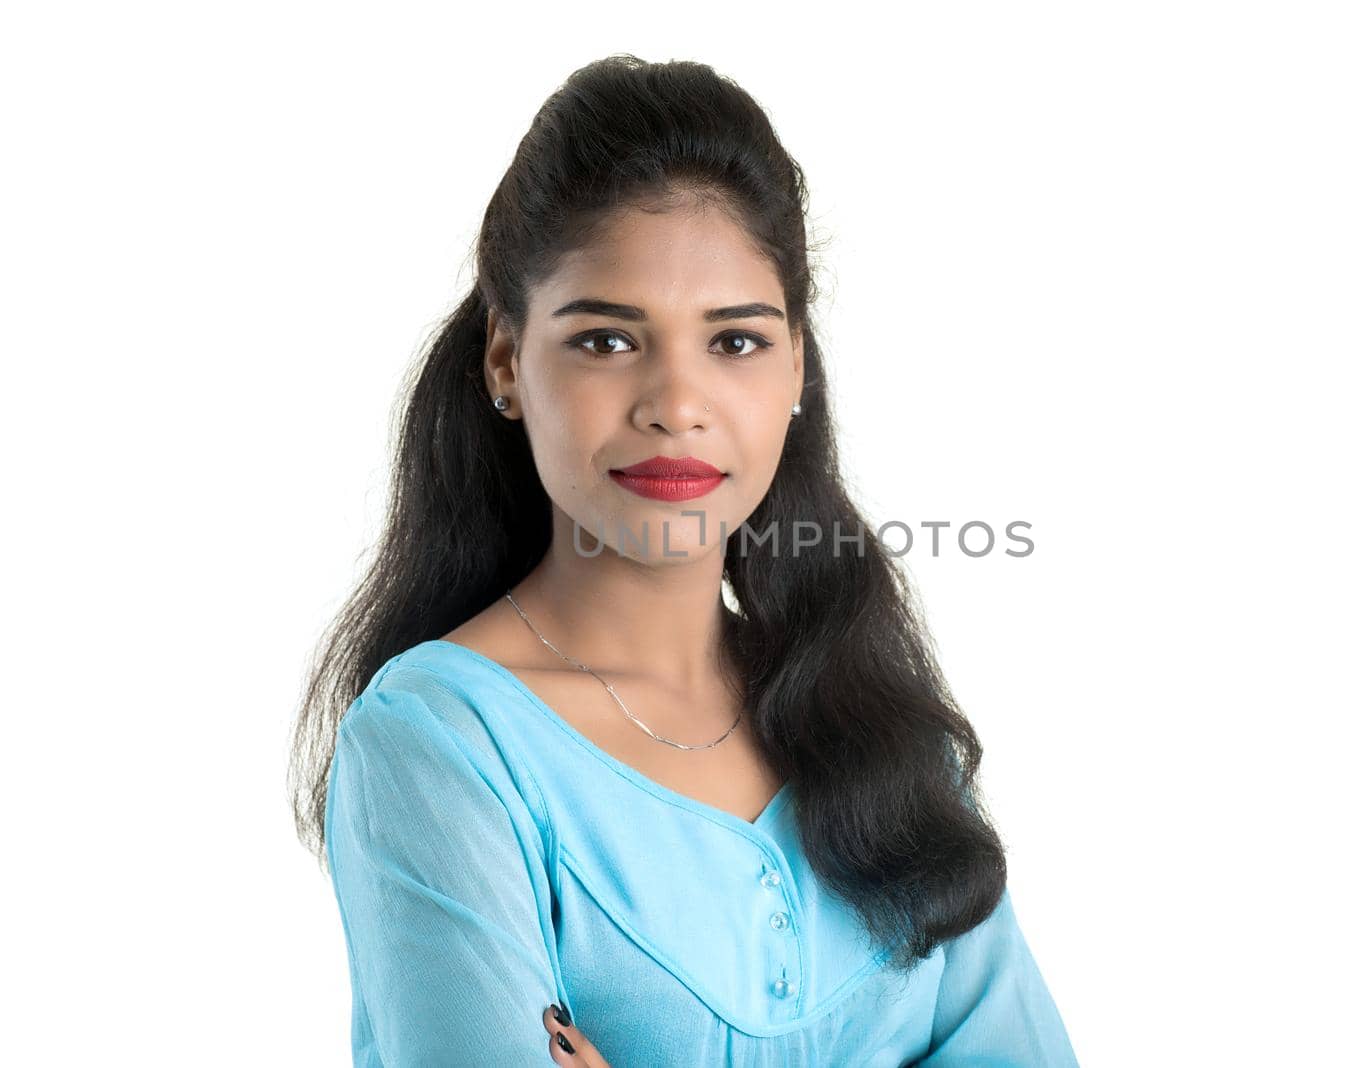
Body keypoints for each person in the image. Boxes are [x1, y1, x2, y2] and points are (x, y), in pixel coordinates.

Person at [288, 53, 1081, 1067]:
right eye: (608, 342)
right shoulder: (442, 744)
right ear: (505, 362)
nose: (675, 402)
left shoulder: (880, 728)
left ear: (796, 364)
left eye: (735, 342)